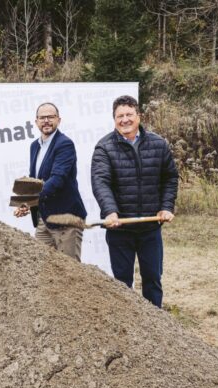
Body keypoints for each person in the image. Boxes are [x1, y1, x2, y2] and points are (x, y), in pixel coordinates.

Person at [91, 95, 179, 308]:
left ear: (139, 116)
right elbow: (100, 182)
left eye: (129, 114)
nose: (125, 120)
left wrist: (166, 207)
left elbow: (170, 178)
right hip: (120, 229)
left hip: (150, 228)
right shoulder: (104, 147)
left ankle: (157, 325)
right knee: (121, 284)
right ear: (114, 119)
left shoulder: (158, 144)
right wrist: (110, 212)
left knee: (152, 279)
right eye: (119, 116)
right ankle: (127, 333)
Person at [14, 102, 87, 261]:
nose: (46, 121)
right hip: (43, 220)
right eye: (42, 117)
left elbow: (57, 180)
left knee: (70, 274)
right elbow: (36, 181)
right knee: (41, 272)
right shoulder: (34, 146)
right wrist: (25, 204)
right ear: (36, 122)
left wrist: (28, 200)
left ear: (58, 120)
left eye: (50, 117)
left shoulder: (65, 144)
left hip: (67, 220)